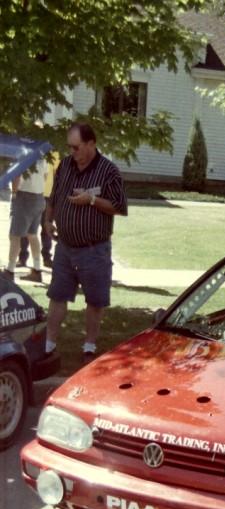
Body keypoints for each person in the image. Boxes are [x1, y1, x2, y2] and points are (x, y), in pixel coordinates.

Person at [45, 122, 127, 363]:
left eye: (76, 147)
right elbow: (53, 198)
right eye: (70, 147)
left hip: (94, 249)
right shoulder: (65, 166)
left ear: (91, 144)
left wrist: (91, 199)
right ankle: (48, 344)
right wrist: (48, 221)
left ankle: (89, 347)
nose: (73, 152)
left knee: (94, 300)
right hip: (65, 248)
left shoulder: (109, 171)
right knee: (57, 295)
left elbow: (119, 207)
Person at [4, 157, 48, 282]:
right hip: (39, 197)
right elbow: (45, 177)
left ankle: (10, 270)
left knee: (15, 235)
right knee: (32, 234)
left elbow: (16, 177)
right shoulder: (42, 157)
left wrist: (14, 194)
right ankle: (37, 269)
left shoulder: (22, 157)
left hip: (24, 196)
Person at [17, 153, 60, 273]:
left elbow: (58, 174)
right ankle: (23, 257)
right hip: (35, 193)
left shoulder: (57, 153)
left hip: (49, 196)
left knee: (46, 228)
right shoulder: (36, 152)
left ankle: (46, 257)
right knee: (27, 228)